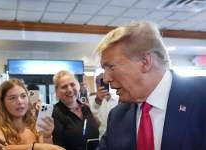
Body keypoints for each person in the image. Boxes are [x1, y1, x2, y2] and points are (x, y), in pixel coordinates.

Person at [95, 21, 206, 150]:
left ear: (145, 62)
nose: (106, 78)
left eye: (111, 67)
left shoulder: (201, 96)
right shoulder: (117, 116)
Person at [0, 79, 65, 150]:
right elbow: (0, 148)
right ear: (2, 102)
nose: (20, 101)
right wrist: (35, 147)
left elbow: (46, 147)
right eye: (12, 98)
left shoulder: (32, 122)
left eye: (23, 96)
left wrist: (47, 136)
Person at [52, 70, 99, 150]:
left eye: (72, 85)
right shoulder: (55, 114)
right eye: (64, 87)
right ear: (57, 92)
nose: (70, 89)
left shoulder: (86, 108)